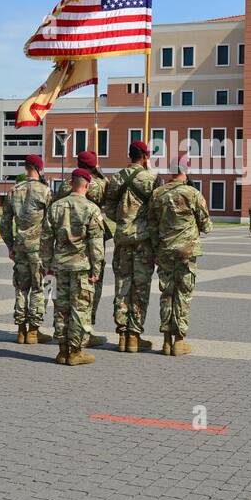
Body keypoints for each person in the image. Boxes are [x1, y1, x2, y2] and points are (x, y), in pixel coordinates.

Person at [41, 167, 105, 366]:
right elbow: (96, 244)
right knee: (80, 309)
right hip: (81, 268)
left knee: (61, 308)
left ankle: (62, 351)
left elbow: (45, 239)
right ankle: (75, 352)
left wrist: (47, 264)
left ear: (71, 183)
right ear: (86, 185)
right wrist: (96, 269)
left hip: (58, 267)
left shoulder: (56, 207)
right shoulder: (91, 209)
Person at [147, 157, 211, 356]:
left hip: (165, 250)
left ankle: (166, 341)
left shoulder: (158, 194)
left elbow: (151, 225)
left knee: (167, 294)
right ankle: (179, 341)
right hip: (186, 252)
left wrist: (157, 248)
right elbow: (206, 226)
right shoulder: (193, 193)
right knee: (183, 294)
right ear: (186, 170)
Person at [52, 150, 112, 346]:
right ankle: (87, 330)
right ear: (94, 166)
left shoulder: (65, 184)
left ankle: (65, 337)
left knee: (63, 297)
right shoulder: (98, 184)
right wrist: (101, 175)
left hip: (63, 248)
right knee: (88, 292)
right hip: (87, 248)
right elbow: (108, 196)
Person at [103, 140, 156, 353]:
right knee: (140, 288)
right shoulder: (150, 179)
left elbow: (109, 208)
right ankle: (134, 335)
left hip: (122, 240)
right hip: (143, 241)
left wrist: (123, 220)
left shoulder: (116, 178)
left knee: (122, 287)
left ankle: (122, 335)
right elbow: (156, 207)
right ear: (144, 156)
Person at [0, 153, 50, 344]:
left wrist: (10, 246)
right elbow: (50, 224)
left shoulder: (13, 191)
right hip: (38, 248)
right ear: (40, 168)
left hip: (20, 247)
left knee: (21, 288)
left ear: (26, 168)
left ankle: (21, 330)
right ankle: (33, 331)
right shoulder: (45, 192)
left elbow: (5, 224)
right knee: (38, 288)